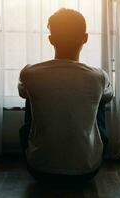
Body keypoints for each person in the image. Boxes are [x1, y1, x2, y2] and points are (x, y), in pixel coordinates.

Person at [18, 8, 113, 184]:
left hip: (39, 170)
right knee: (99, 99)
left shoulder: (30, 73)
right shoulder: (98, 76)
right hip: (86, 171)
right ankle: (86, 152)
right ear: (85, 38)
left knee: (31, 95)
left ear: (51, 39)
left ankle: (43, 151)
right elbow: (110, 96)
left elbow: (21, 90)